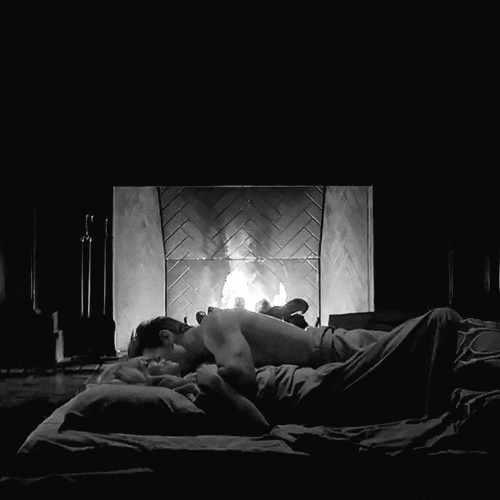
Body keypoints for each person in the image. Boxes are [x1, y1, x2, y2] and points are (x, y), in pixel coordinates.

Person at [127, 307, 388, 398]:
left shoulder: (212, 326)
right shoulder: (209, 347)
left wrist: (195, 380)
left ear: (166, 337)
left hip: (341, 349)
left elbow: (243, 378)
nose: (157, 369)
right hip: (331, 354)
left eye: (154, 359)